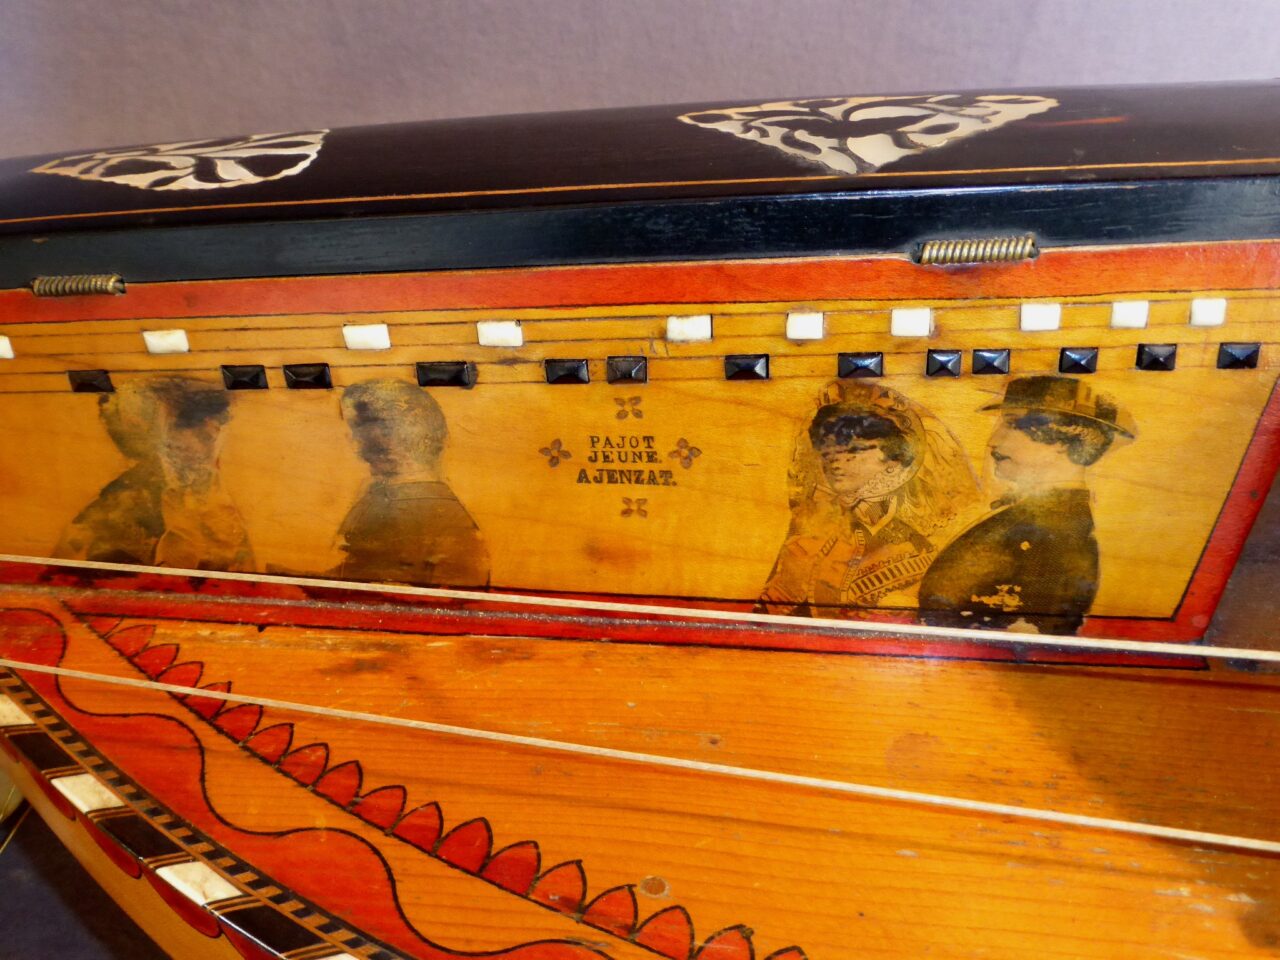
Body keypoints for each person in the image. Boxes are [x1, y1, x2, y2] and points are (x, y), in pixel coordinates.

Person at [917, 376, 1135, 635]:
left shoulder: (1057, 535)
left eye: (1011, 424)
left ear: (1063, 438)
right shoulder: (1040, 518)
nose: (993, 440)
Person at [759, 381, 976, 617]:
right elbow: (769, 615)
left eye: (853, 450)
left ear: (894, 459)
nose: (835, 461)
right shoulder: (808, 537)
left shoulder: (925, 538)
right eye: (827, 451)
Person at [57, 377, 254, 572]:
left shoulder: (214, 493)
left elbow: (242, 566)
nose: (211, 434)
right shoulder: (121, 501)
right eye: (186, 423)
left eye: (220, 420)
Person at [335, 379, 489, 587]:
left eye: (357, 428)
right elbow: (351, 572)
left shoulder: (439, 517)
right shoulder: (380, 495)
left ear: (394, 433)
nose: (352, 442)